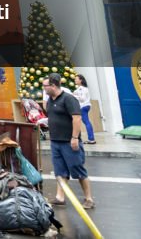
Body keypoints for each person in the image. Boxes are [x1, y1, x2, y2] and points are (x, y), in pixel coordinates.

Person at [42, 74, 94, 210]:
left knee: (78, 170)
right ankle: (60, 197)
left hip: (68, 142)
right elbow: (52, 117)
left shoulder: (68, 99)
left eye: (45, 86)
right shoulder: (50, 100)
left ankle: (89, 199)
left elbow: (76, 118)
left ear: (53, 86)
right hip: (55, 141)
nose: (44, 89)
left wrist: (75, 138)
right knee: (60, 171)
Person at [74, 74, 96, 144]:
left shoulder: (82, 89)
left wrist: (74, 95)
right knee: (86, 121)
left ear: (81, 80)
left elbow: (82, 99)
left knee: (86, 122)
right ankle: (91, 138)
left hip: (83, 106)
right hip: (85, 106)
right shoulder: (80, 89)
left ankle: (91, 139)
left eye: (76, 79)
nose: (75, 80)